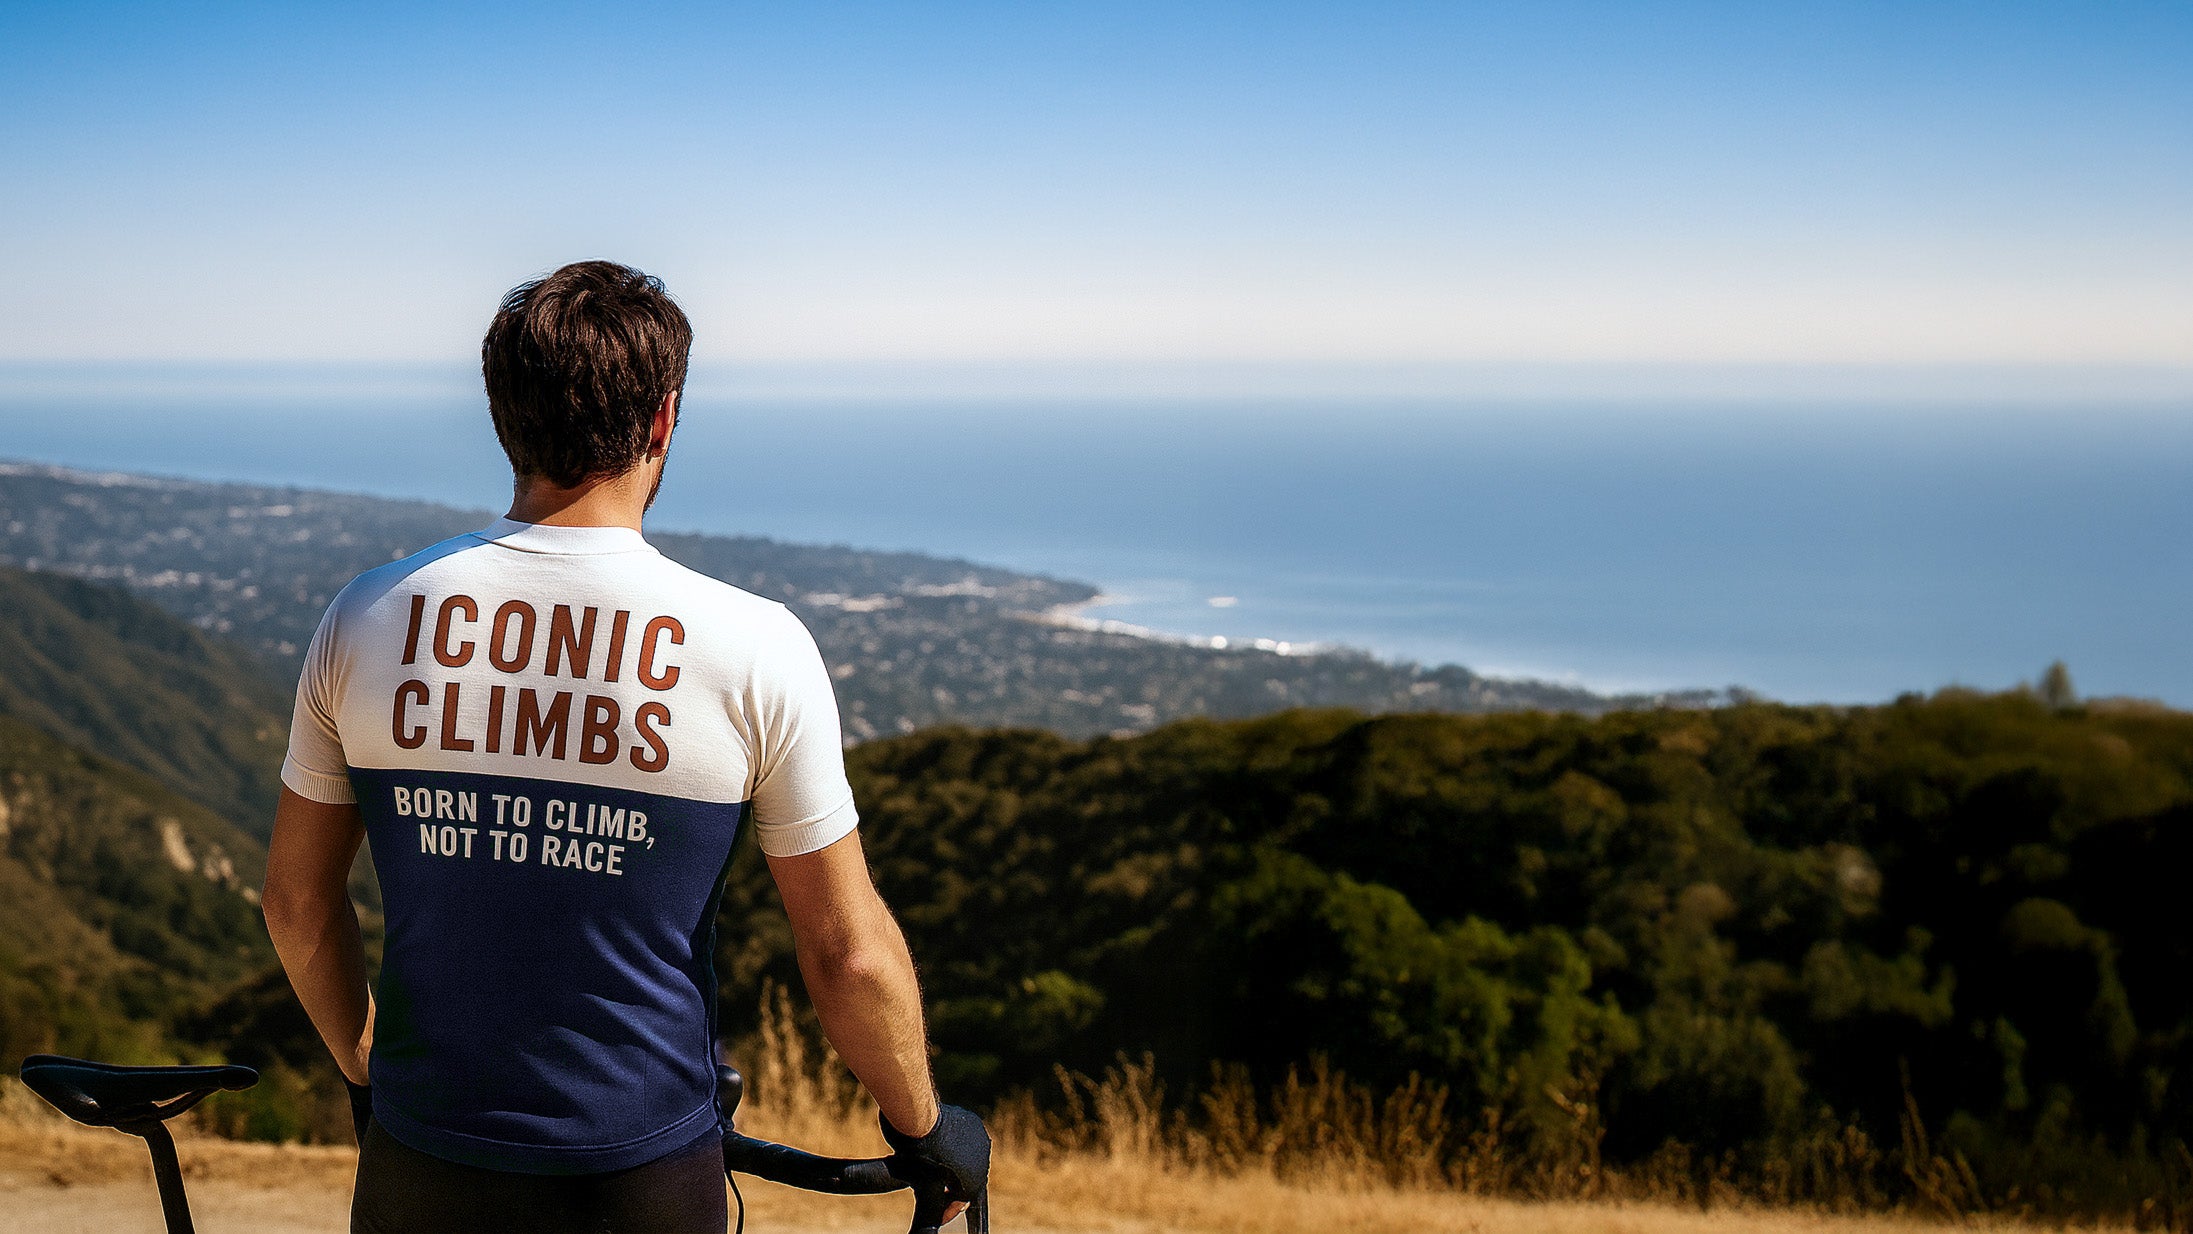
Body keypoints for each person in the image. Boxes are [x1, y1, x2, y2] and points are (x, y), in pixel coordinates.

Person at [261, 260, 987, 1233]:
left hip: (420, 1159)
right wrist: (926, 1129)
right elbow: (847, 954)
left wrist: (366, 1066)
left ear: (502, 416)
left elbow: (297, 903)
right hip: (638, 1175)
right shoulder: (755, 647)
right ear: (663, 422)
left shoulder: (365, 616)